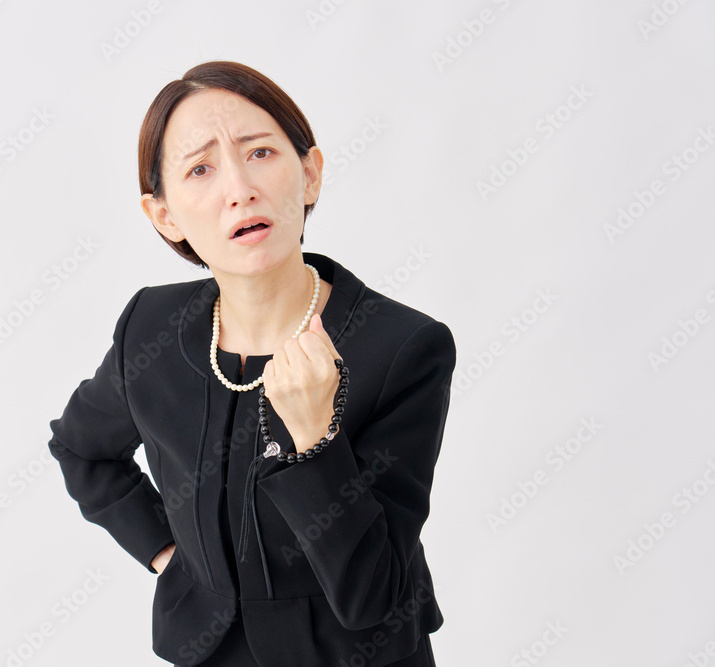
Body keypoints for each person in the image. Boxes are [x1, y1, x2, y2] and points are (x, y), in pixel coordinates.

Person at [47, 60, 456, 666]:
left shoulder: (402, 347)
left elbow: (374, 595)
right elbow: (82, 450)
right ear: (164, 216)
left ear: (309, 174)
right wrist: (168, 555)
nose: (239, 188)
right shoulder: (151, 329)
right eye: (200, 169)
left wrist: (314, 443)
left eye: (260, 153)